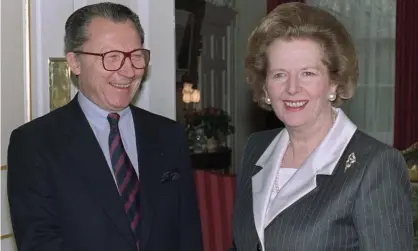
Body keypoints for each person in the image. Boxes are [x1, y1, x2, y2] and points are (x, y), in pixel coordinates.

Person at [7, 3, 202, 251]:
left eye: (136, 56)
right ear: (75, 63)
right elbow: (40, 243)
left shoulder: (169, 135)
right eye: (111, 57)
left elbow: (188, 234)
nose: (128, 71)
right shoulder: (36, 143)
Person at [231, 3, 413, 251]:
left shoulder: (375, 165)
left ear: (334, 83)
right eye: (279, 75)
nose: (292, 88)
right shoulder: (256, 148)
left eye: (307, 73)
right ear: (264, 88)